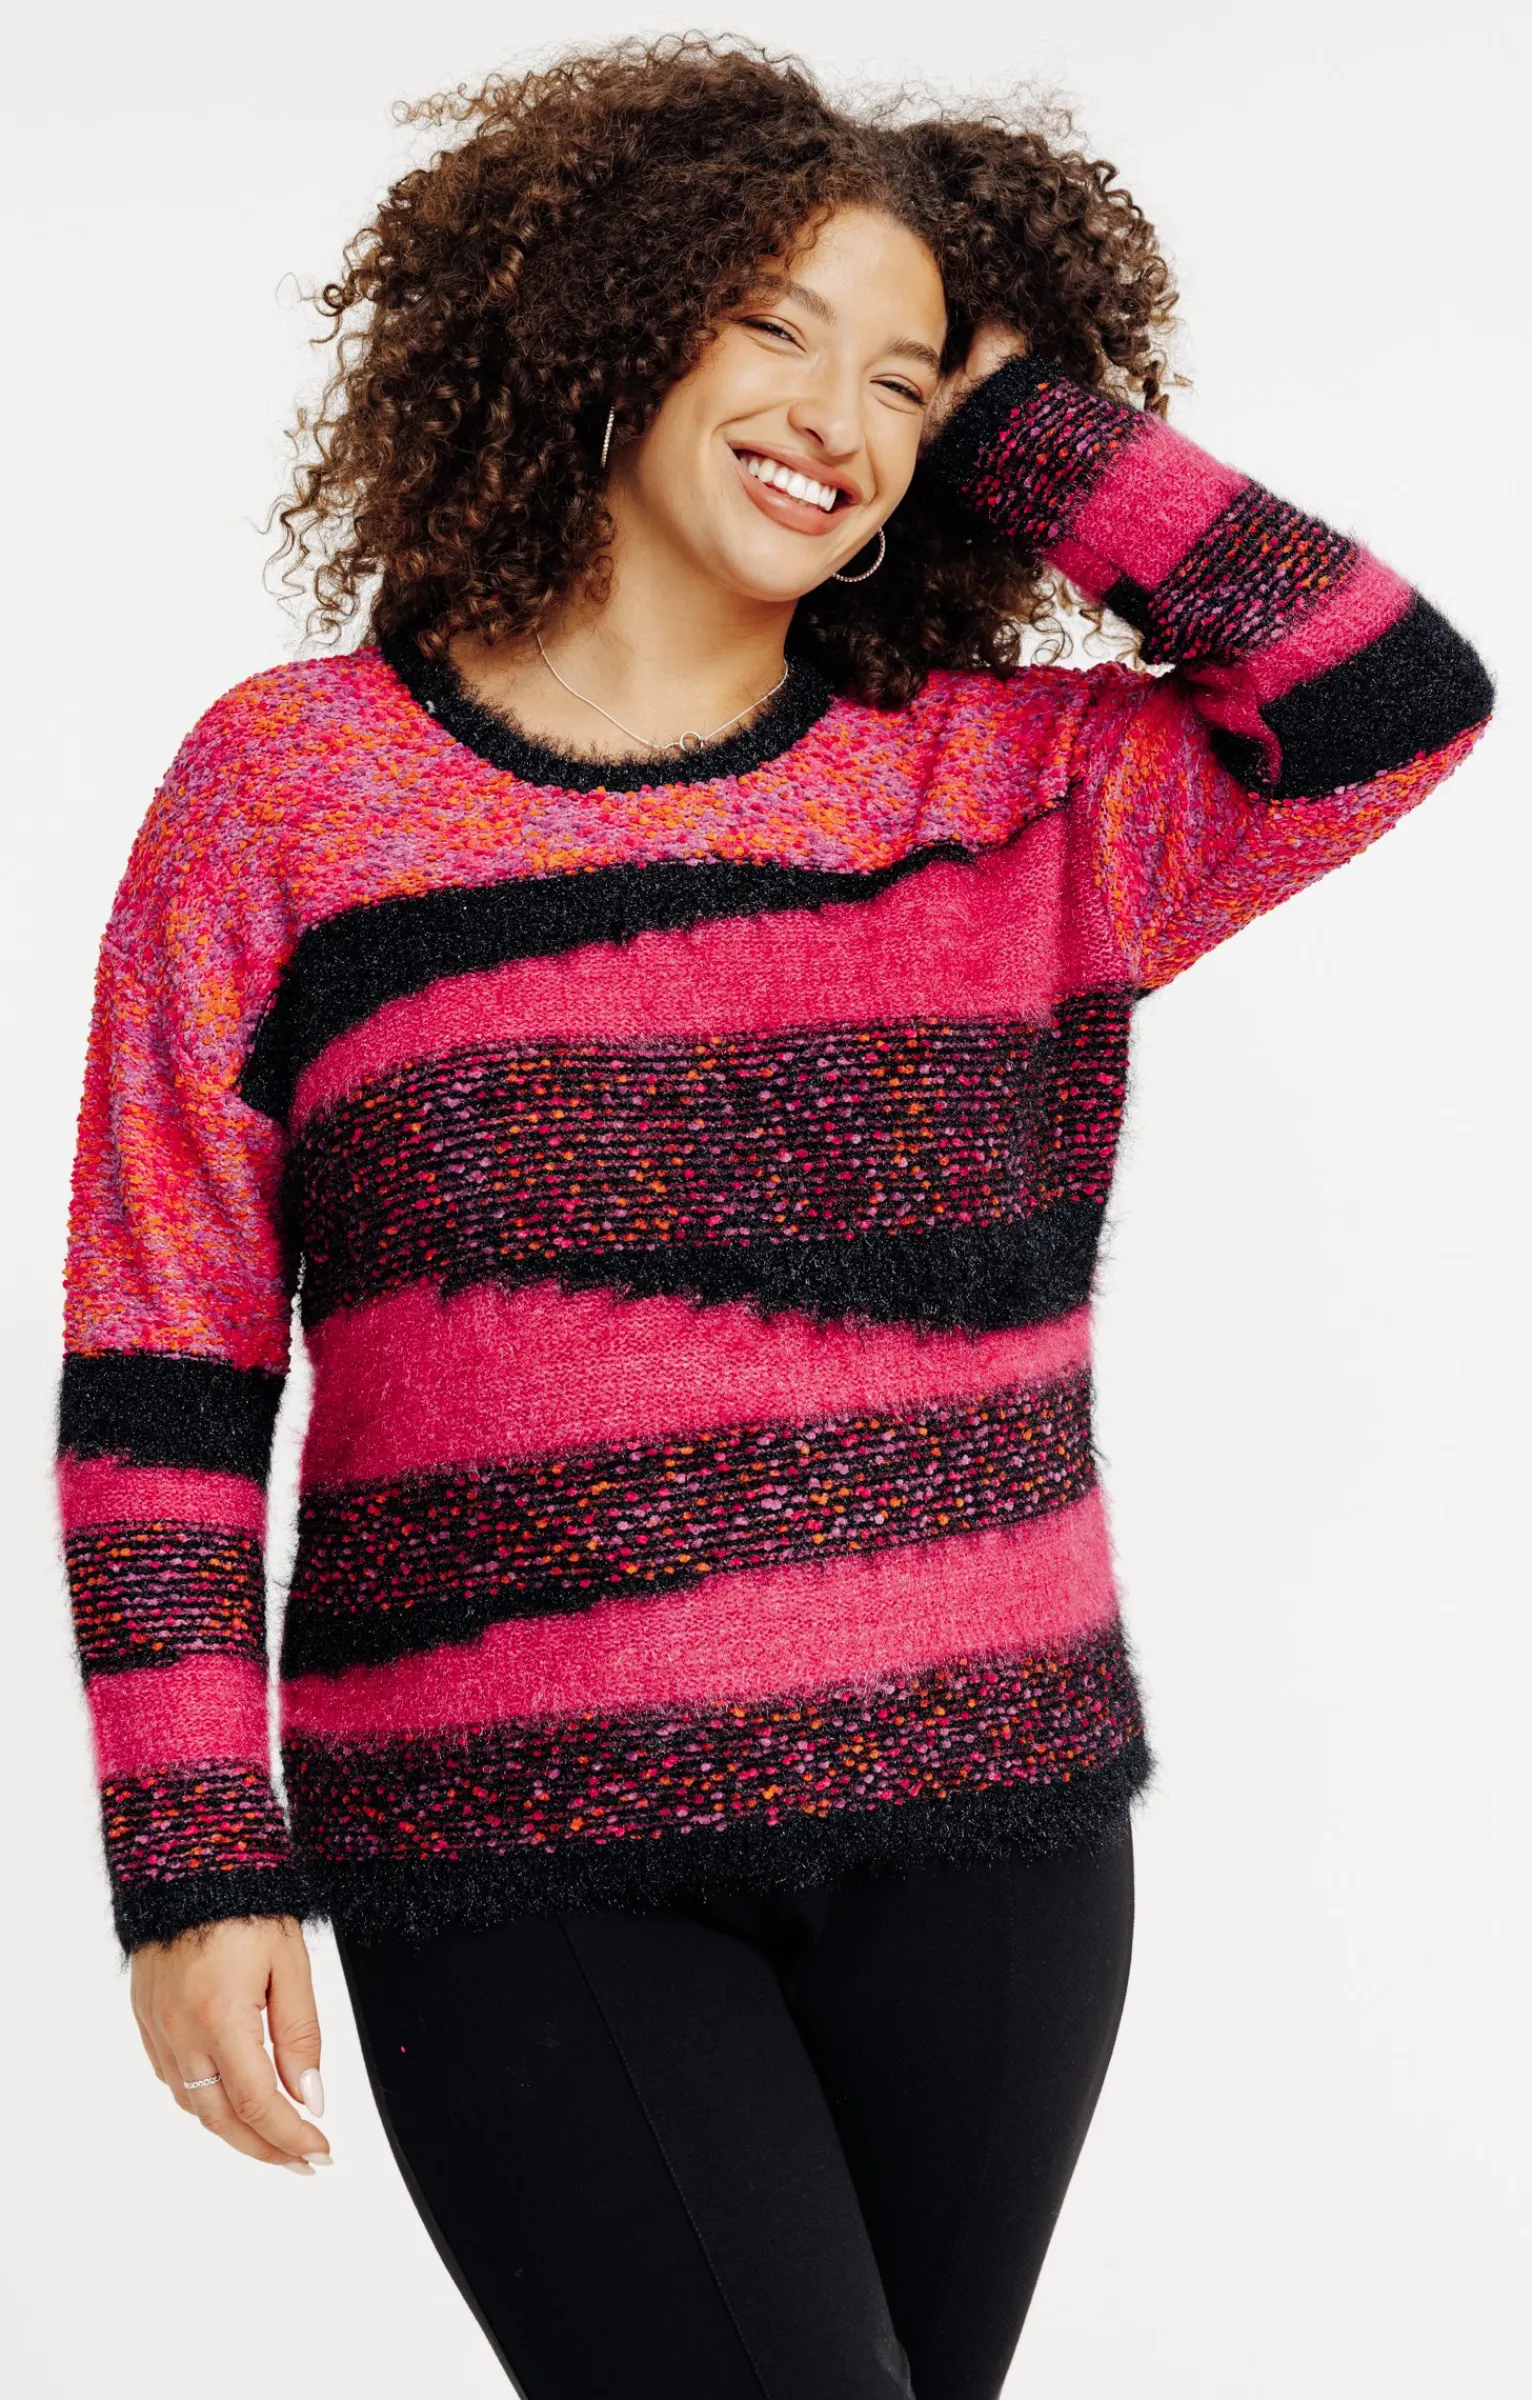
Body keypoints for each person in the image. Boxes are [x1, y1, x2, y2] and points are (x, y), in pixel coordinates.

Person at [56, 34, 1493, 2400]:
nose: (835, 412)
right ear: (618, 324)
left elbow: (1386, 692)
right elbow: (162, 1364)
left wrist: (1026, 414)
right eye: (768, 324)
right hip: (517, 1855)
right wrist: (194, 1856)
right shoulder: (292, 788)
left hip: (988, 1843)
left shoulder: (1011, 790)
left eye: (901, 377)